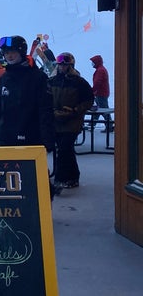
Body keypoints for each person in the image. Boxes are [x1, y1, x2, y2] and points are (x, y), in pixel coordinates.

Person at [0, 36, 55, 194]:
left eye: (12, 52)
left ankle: (40, 213)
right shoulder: (4, 78)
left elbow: (45, 110)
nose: (9, 56)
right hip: (5, 138)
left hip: (30, 138)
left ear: (21, 52)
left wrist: (48, 139)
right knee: (5, 181)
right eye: (6, 53)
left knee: (33, 181)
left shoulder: (38, 78)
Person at [49, 52, 94, 192]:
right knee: (65, 150)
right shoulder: (52, 81)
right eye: (60, 64)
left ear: (71, 66)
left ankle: (61, 179)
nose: (62, 67)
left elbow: (88, 101)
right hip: (56, 120)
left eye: (65, 64)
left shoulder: (79, 82)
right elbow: (45, 98)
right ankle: (73, 176)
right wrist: (53, 111)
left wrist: (75, 110)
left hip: (72, 122)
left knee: (64, 149)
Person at [90, 54, 112, 132]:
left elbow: (97, 82)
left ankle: (109, 126)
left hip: (101, 93)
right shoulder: (101, 69)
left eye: (93, 62)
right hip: (102, 92)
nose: (92, 64)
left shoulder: (100, 70)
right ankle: (91, 125)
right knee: (98, 110)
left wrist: (93, 90)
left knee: (103, 110)